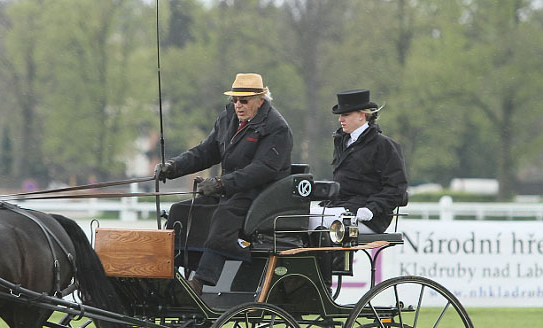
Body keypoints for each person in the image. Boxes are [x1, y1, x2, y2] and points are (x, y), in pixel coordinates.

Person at [155, 73, 293, 294]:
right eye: (235, 100)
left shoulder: (276, 127)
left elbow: (263, 169)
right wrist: (173, 167)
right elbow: (205, 151)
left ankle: (200, 282)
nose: (238, 105)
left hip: (261, 195)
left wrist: (221, 184)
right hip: (231, 190)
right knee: (182, 210)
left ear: (261, 99)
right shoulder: (227, 118)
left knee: (224, 214)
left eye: (244, 101)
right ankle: (173, 272)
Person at [309, 89, 408, 235]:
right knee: (299, 218)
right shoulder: (342, 141)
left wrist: (371, 208)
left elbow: (396, 188)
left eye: (345, 115)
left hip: (370, 217)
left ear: (362, 115)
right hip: (342, 208)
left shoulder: (383, 145)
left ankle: (328, 258)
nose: (340, 119)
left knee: (315, 221)